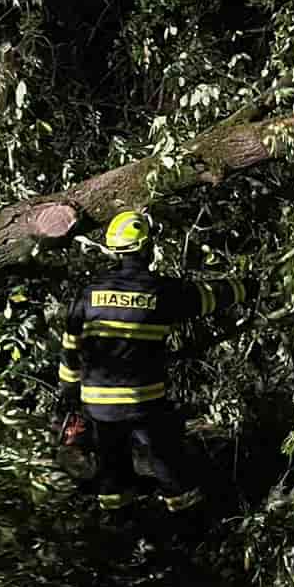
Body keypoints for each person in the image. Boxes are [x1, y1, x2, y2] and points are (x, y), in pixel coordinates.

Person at [53, 209, 247, 524]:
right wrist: (247, 287)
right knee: (166, 461)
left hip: (99, 405)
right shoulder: (161, 292)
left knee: (112, 466)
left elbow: (70, 347)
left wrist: (70, 391)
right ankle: (189, 522)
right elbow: (209, 298)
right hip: (144, 402)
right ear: (147, 248)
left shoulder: (89, 294)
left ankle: (120, 527)